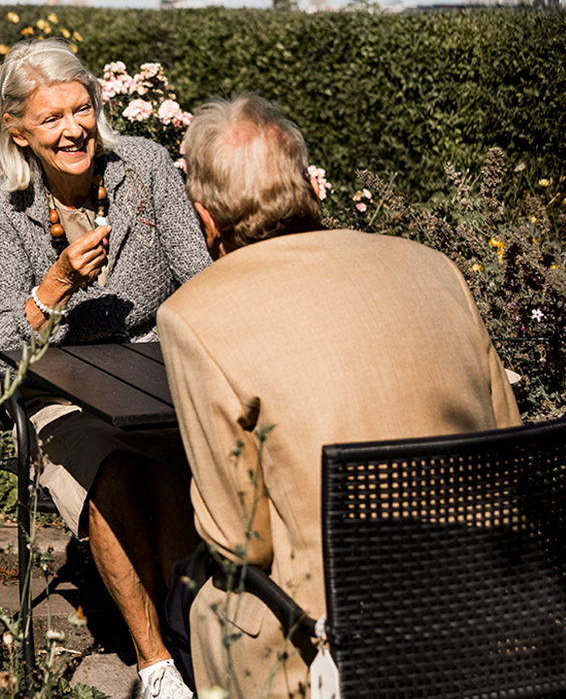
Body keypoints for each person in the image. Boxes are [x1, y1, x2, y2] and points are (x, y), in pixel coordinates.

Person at [155, 93, 522, 699]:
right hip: (485, 602)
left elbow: (239, 541)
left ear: (207, 219)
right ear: (311, 188)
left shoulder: (193, 316)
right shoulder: (433, 268)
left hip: (330, 641)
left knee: (190, 599)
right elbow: (509, 443)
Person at [0, 38, 211, 699]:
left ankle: (194, 647)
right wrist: (51, 287)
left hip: (154, 377)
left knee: (164, 465)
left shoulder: (144, 165)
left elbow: (198, 278)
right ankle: (155, 664)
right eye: (51, 119)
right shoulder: (6, 208)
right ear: (17, 132)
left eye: (81, 109)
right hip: (63, 387)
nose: (74, 128)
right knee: (108, 465)